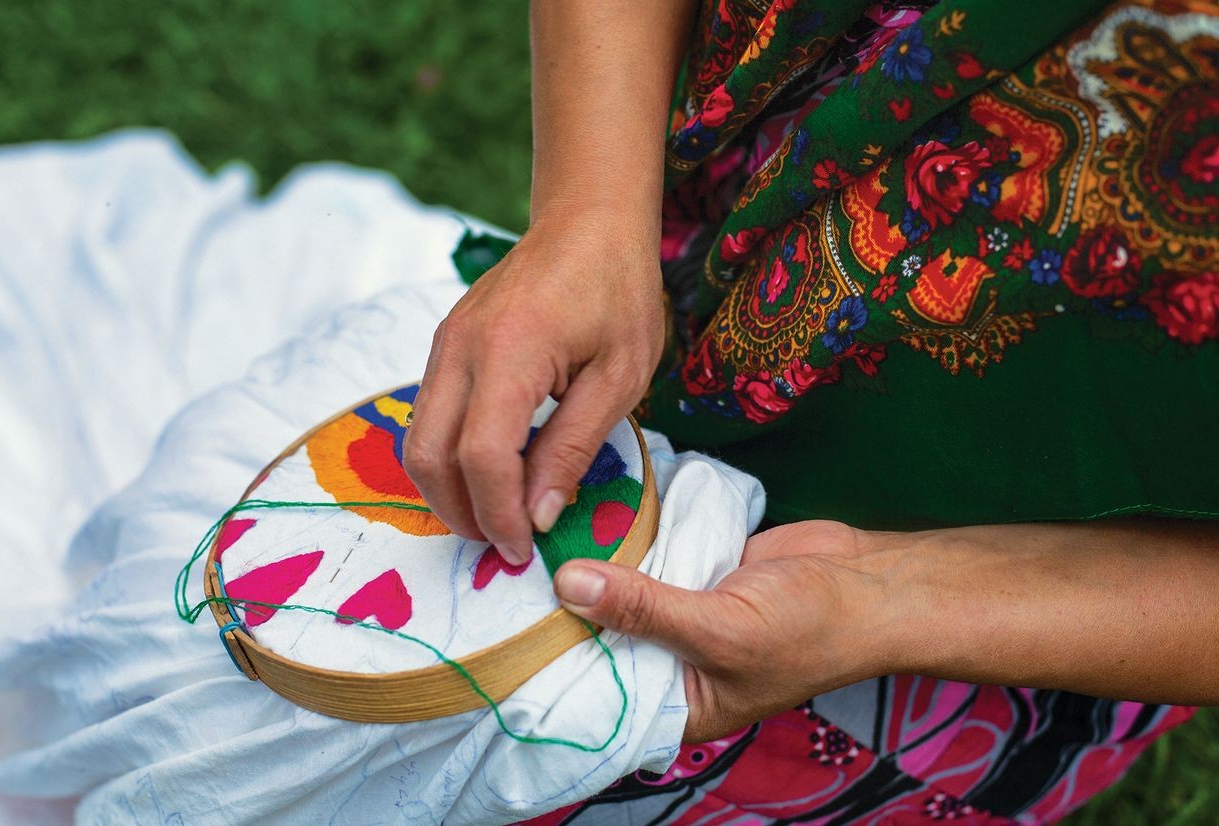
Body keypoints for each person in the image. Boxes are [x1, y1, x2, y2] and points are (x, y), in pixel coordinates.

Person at [406, 0, 1219, 820]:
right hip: (688, 276)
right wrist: (589, 215)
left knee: (514, 769)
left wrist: (888, 601)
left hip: (1037, 606)